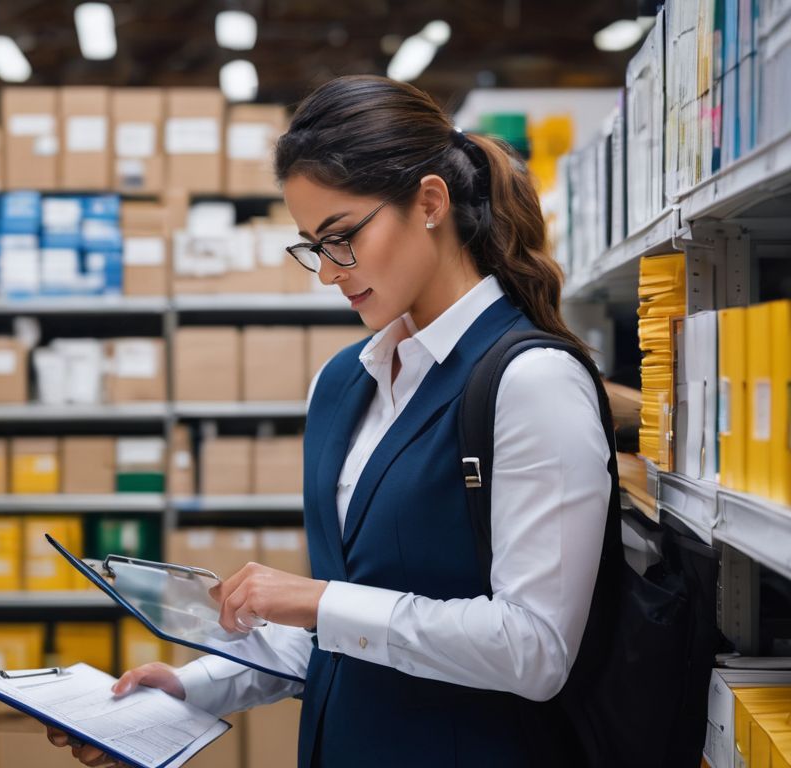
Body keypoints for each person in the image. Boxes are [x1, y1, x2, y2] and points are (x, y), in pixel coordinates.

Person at [46, 74, 613, 767]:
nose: (327, 273)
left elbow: (535, 650)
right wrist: (191, 687)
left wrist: (318, 600)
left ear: (430, 203)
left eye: (341, 236)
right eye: (313, 245)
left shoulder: (530, 382)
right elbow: (339, 626)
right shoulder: (344, 383)